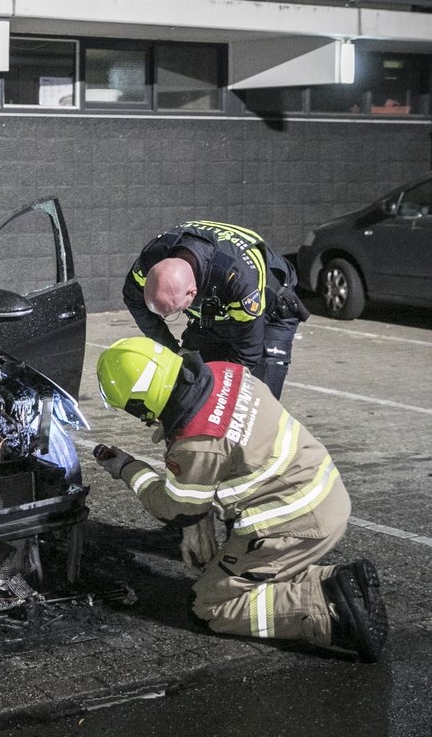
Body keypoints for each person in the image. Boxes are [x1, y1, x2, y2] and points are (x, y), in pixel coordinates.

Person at [89, 336, 387, 662]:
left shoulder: (197, 444)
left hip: (291, 524)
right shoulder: (224, 373)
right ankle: (337, 582)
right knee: (242, 574)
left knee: (209, 606)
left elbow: (175, 509)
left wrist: (128, 468)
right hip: (323, 495)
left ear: (139, 403)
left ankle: (328, 612)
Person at [122, 220, 308, 398]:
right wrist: (171, 350)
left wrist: (218, 393)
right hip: (215, 311)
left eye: (173, 312)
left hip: (269, 316)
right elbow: (134, 300)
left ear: (191, 293)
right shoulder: (151, 259)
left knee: (252, 399)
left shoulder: (237, 279)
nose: (165, 316)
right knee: (185, 383)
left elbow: (247, 353)